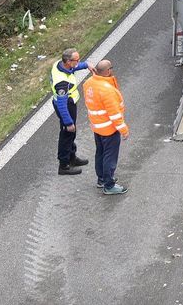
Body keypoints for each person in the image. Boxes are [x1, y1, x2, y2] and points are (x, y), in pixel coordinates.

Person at [84, 59, 129, 195]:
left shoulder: (89, 84)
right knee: (110, 157)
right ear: (108, 71)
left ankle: (102, 179)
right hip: (109, 130)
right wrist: (124, 130)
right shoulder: (107, 91)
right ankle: (109, 185)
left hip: (97, 127)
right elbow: (114, 114)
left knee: (100, 153)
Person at [52, 48, 90, 176]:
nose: (78, 62)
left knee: (71, 134)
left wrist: (85, 65)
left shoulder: (59, 65)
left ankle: (72, 157)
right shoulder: (62, 83)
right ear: (68, 61)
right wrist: (68, 122)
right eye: (76, 60)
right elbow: (62, 105)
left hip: (68, 103)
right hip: (66, 106)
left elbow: (73, 68)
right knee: (67, 134)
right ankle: (64, 165)